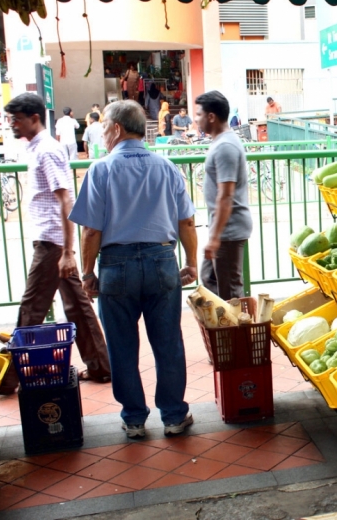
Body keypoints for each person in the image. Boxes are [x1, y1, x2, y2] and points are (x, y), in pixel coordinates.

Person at [69, 100, 198, 438]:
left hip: (116, 265)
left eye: (105, 126)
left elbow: (91, 231)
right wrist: (192, 263)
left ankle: (135, 420)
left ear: (116, 129)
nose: (102, 133)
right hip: (161, 260)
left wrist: (87, 273)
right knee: (168, 342)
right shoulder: (167, 167)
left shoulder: (101, 169)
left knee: (122, 345)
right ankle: (173, 416)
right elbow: (187, 221)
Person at [4, 93, 111, 384]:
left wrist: (67, 251)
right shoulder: (38, 149)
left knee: (32, 308)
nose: (12, 124)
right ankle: (101, 366)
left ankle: (9, 377)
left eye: (16, 119)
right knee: (77, 305)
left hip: (52, 244)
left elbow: (66, 199)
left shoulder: (46, 151)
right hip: (53, 242)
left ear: (34, 118)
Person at [195, 91, 252, 300]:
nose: (196, 119)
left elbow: (226, 195)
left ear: (211, 116)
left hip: (228, 229)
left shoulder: (225, 146)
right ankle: (224, 328)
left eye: (199, 114)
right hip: (224, 229)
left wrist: (216, 237)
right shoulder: (221, 142)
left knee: (230, 292)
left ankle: (235, 330)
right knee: (210, 278)